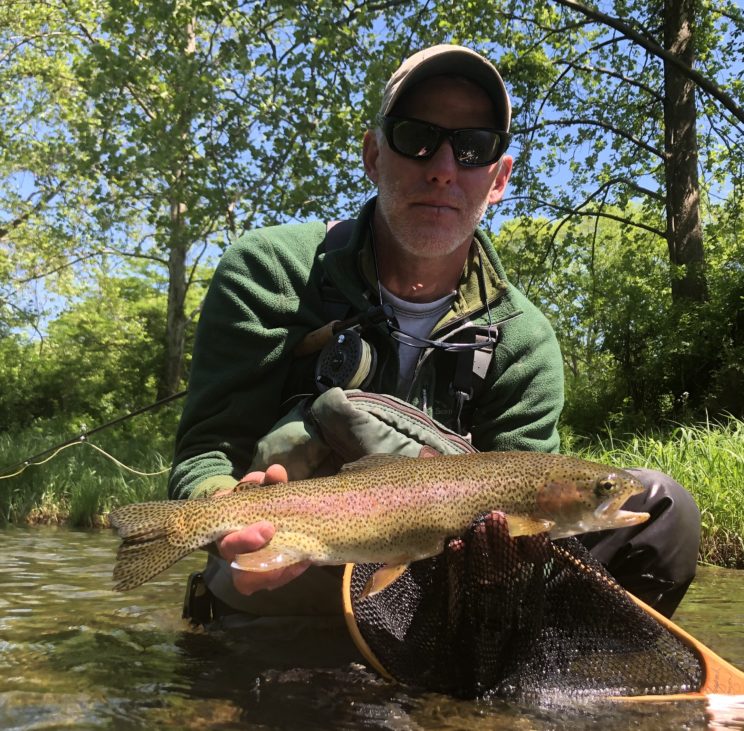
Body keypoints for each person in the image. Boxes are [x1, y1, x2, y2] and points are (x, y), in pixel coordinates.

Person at [168, 45, 700, 634]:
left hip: (433, 599)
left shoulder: (524, 341)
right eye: (417, 137)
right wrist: (222, 516)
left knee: (662, 510)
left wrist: (506, 565)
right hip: (285, 584)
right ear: (374, 154)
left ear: (499, 178)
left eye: (473, 147)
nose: (444, 166)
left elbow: (526, 495)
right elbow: (205, 453)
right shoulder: (269, 269)